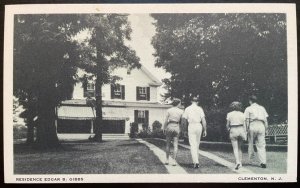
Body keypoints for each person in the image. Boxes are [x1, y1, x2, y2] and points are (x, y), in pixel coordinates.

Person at [182, 96, 207, 168]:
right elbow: (203, 120)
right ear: (197, 102)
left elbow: (184, 120)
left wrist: (184, 130)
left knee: (193, 144)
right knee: (197, 144)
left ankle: (196, 162)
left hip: (191, 126)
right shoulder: (200, 109)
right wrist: (205, 130)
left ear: (191, 101)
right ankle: (196, 161)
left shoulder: (187, 109)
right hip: (199, 126)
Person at [244, 95, 269, 168]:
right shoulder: (262, 108)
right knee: (261, 144)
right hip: (261, 125)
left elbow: (247, 120)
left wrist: (246, 130)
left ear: (250, 101)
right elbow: (265, 120)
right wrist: (266, 129)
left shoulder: (248, 108)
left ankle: (251, 159)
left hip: (253, 125)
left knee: (251, 143)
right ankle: (263, 162)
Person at [226, 101, 247, 170]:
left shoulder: (229, 114)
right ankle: (240, 163)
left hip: (233, 129)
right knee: (240, 148)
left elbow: (227, 125)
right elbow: (244, 125)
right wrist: (245, 133)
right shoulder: (242, 114)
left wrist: (228, 129)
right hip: (241, 129)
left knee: (235, 148)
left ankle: (237, 162)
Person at [163, 98, 184, 166]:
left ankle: (167, 160)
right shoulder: (181, 111)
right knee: (175, 145)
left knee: (168, 144)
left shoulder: (169, 110)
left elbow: (166, 120)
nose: (180, 104)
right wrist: (182, 129)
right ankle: (174, 161)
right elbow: (182, 121)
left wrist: (164, 127)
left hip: (170, 126)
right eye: (180, 103)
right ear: (178, 103)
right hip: (176, 126)